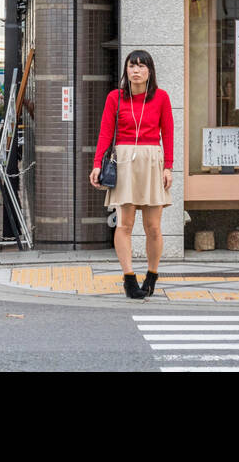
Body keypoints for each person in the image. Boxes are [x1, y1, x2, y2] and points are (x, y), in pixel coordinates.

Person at [90, 50, 173, 299]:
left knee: (153, 227)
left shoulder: (161, 97)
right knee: (125, 224)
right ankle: (129, 279)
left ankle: (152, 275)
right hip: (124, 161)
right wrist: (97, 164)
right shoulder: (115, 98)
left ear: (150, 70)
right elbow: (105, 132)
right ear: (126, 70)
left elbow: (167, 133)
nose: (136, 71)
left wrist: (168, 166)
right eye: (131, 66)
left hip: (151, 162)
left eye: (141, 66)